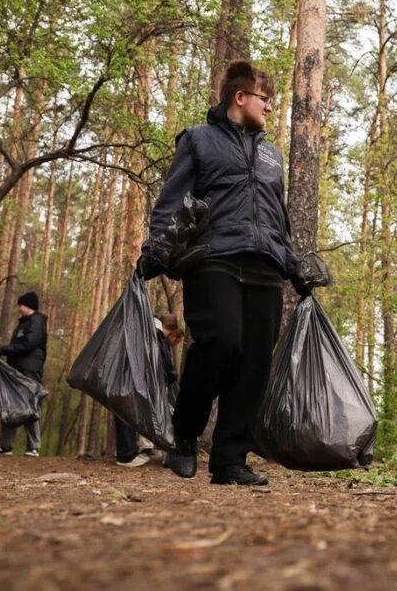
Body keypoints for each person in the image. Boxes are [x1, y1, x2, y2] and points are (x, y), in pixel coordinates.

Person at [138, 60, 312, 486]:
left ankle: (230, 460)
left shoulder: (272, 154)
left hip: (265, 264)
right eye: (265, 99)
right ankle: (184, 432)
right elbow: (171, 201)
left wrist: (294, 265)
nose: (270, 108)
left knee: (253, 362)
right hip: (214, 256)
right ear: (240, 97)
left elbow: (277, 215)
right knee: (220, 341)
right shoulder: (198, 140)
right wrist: (156, 247)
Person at [114, 314, 182, 467]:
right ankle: (126, 455)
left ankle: (129, 452)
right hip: (132, 380)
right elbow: (164, 360)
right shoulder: (156, 334)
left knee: (126, 413)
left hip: (123, 376)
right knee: (129, 413)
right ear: (169, 330)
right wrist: (172, 377)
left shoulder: (140, 326)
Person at [0, 291, 47, 457]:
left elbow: (28, 344)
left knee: (30, 405)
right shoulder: (24, 324)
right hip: (17, 369)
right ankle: (6, 445)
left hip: (29, 370)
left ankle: (34, 447)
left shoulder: (36, 322)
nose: (19, 308)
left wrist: (2, 349)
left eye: (22, 305)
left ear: (28, 306)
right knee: (10, 403)